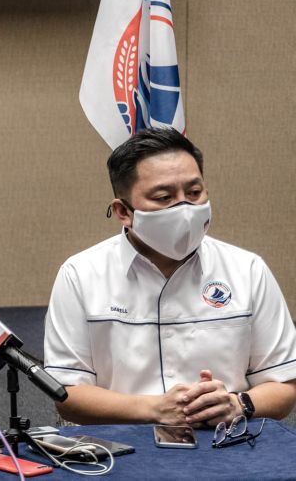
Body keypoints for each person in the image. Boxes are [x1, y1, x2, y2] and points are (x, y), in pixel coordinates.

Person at [44, 127, 296, 427]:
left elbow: (283, 385)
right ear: (123, 212)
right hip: (120, 441)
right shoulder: (80, 275)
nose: (185, 208)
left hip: (226, 438)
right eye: (164, 197)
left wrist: (236, 404)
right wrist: (155, 409)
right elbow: (67, 394)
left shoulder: (248, 270)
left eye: (194, 193)